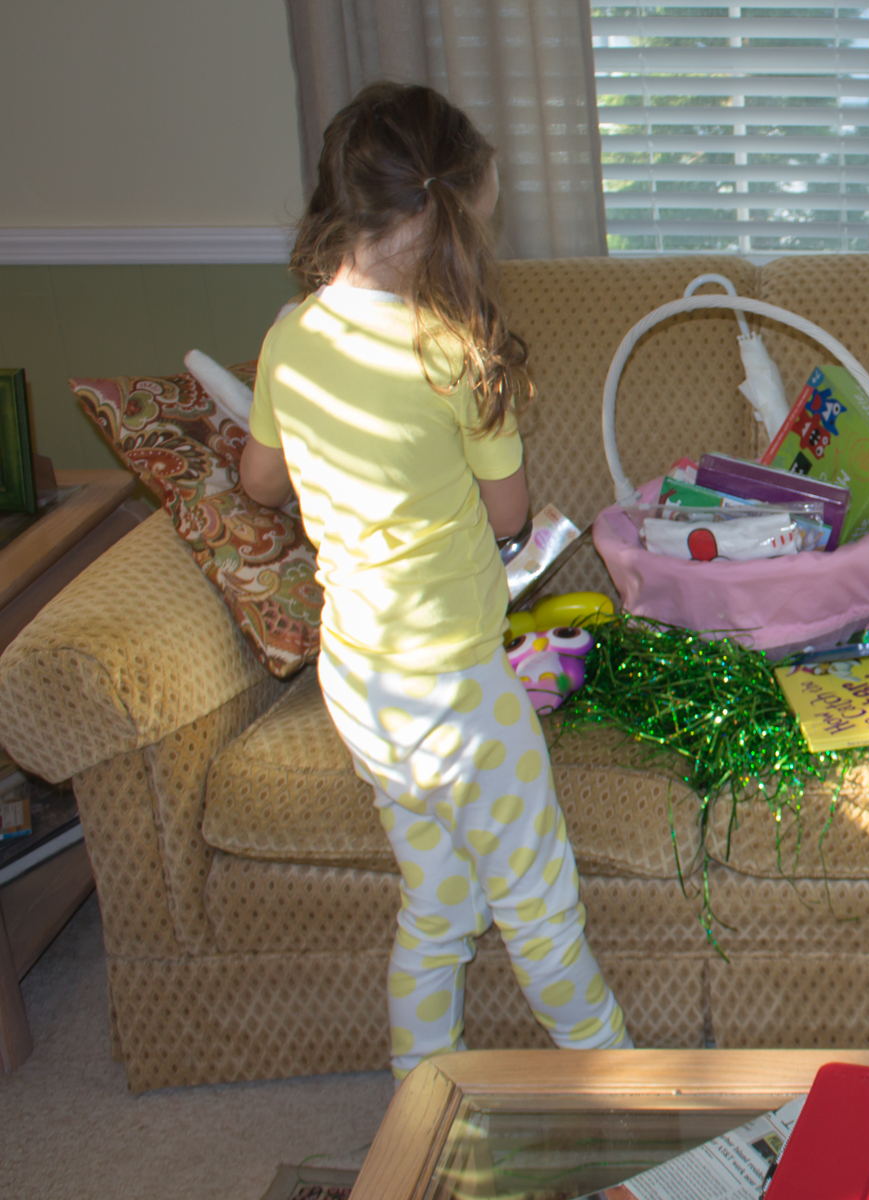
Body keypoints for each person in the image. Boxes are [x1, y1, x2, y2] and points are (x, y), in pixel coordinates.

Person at [239, 82, 631, 1079]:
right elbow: (509, 518)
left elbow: (259, 482)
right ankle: (626, 1093)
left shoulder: (290, 337)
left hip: (359, 683)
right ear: (440, 218)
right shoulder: (453, 351)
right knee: (541, 909)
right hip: (455, 690)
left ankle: (422, 1100)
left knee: (440, 903)